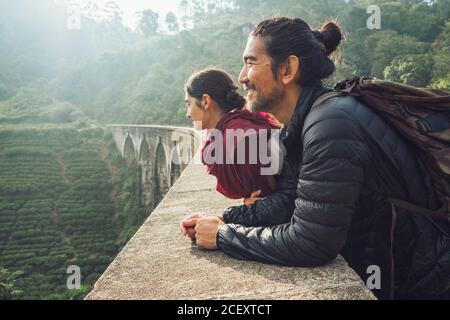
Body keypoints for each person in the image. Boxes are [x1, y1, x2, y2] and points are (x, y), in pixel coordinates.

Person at [180, 17, 450, 299]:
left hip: (424, 281)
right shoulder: (309, 119)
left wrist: (225, 237)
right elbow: (290, 200)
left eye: (251, 63)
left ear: (287, 69)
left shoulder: (330, 123)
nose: (241, 77)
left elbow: (311, 242)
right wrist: (225, 218)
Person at [183, 68, 281, 204]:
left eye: (189, 104)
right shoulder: (232, 128)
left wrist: (248, 205)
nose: (188, 114)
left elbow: (264, 200)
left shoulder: (239, 140)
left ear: (205, 101)